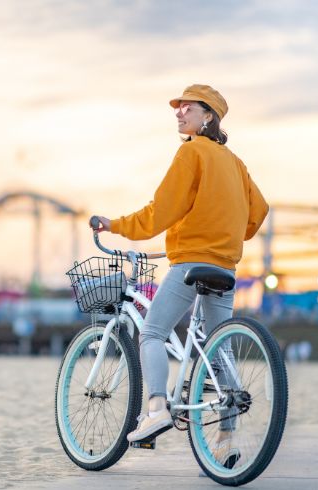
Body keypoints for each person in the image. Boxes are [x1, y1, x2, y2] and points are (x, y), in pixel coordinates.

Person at [91, 84, 268, 460]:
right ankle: (226, 439)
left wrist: (115, 225)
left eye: (187, 107)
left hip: (190, 260)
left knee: (152, 332)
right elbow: (260, 210)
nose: (179, 112)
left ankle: (156, 410)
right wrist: (231, 232)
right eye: (178, 107)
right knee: (216, 348)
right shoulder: (236, 163)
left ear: (209, 116)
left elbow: (160, 212)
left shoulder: (192, 152)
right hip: (225, 265)